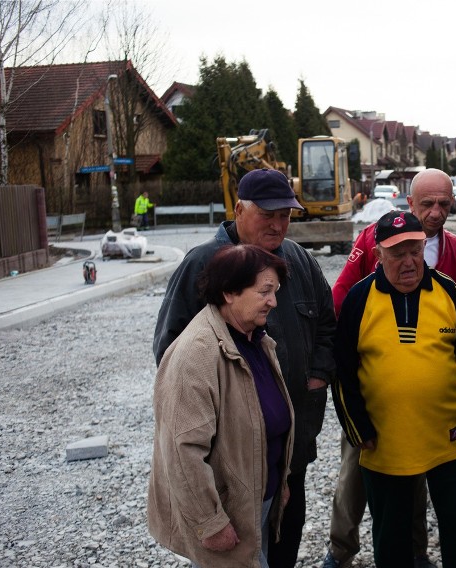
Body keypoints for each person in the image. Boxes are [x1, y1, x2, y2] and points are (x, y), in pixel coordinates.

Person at [153, 168, 336, 568]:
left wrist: (317, 376)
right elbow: (171, 351)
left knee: (284, 543)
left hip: (289, 449)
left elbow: (326, 324)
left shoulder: (300, 262)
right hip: (230, 459)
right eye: (267, 214)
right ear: (238, 208)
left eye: (285, 215)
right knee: (235, 553)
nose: (278, 224)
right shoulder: (204, 264)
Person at [324, 167, 456, 568]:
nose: (438, 210)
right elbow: (342, 347)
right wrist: (357, 421)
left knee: (448, 517)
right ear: (411, 202)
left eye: (445, 203)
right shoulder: (368, 253)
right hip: (380, 430)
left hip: (442, 432)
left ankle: (418, 554)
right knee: (362, 488)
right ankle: (340, 551)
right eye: (429, 203)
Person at [148, 244, 294, 568]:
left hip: (257, 500)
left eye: (275, 291)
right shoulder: (196, 354)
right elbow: (181, 450)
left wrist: (279, 481)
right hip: (226, 512)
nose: (273, 301)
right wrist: (209, 523)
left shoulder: (253, 337)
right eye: (265, 291)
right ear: (229, 292)